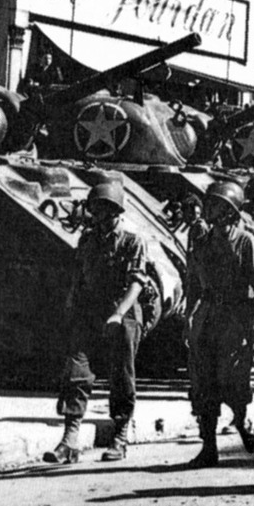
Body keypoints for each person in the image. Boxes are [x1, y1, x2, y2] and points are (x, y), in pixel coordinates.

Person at [45, 182, 152, 465]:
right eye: (96, 208)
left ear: (116, 210)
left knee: (121, 375)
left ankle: (120, 435)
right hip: (89, 311)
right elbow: (79, 275)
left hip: (123, 312)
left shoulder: (132, 240)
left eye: (105, 208)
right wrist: (71, 302)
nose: (99, 213)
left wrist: (118, 313)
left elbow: (136, 283)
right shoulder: (88, 240)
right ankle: (69, 439)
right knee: (77, 370)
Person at [184, 181, 254, 468]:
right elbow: (193, 284)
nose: (208, 209)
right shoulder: (202, 242)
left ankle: (242, 422)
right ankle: (209, 447)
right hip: (207, 316)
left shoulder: (246, 241)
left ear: (230, 210)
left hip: (234, 317)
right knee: (202, 382)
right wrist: (189, 317)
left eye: (216, 205)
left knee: (232, 379)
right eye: (209, 204)